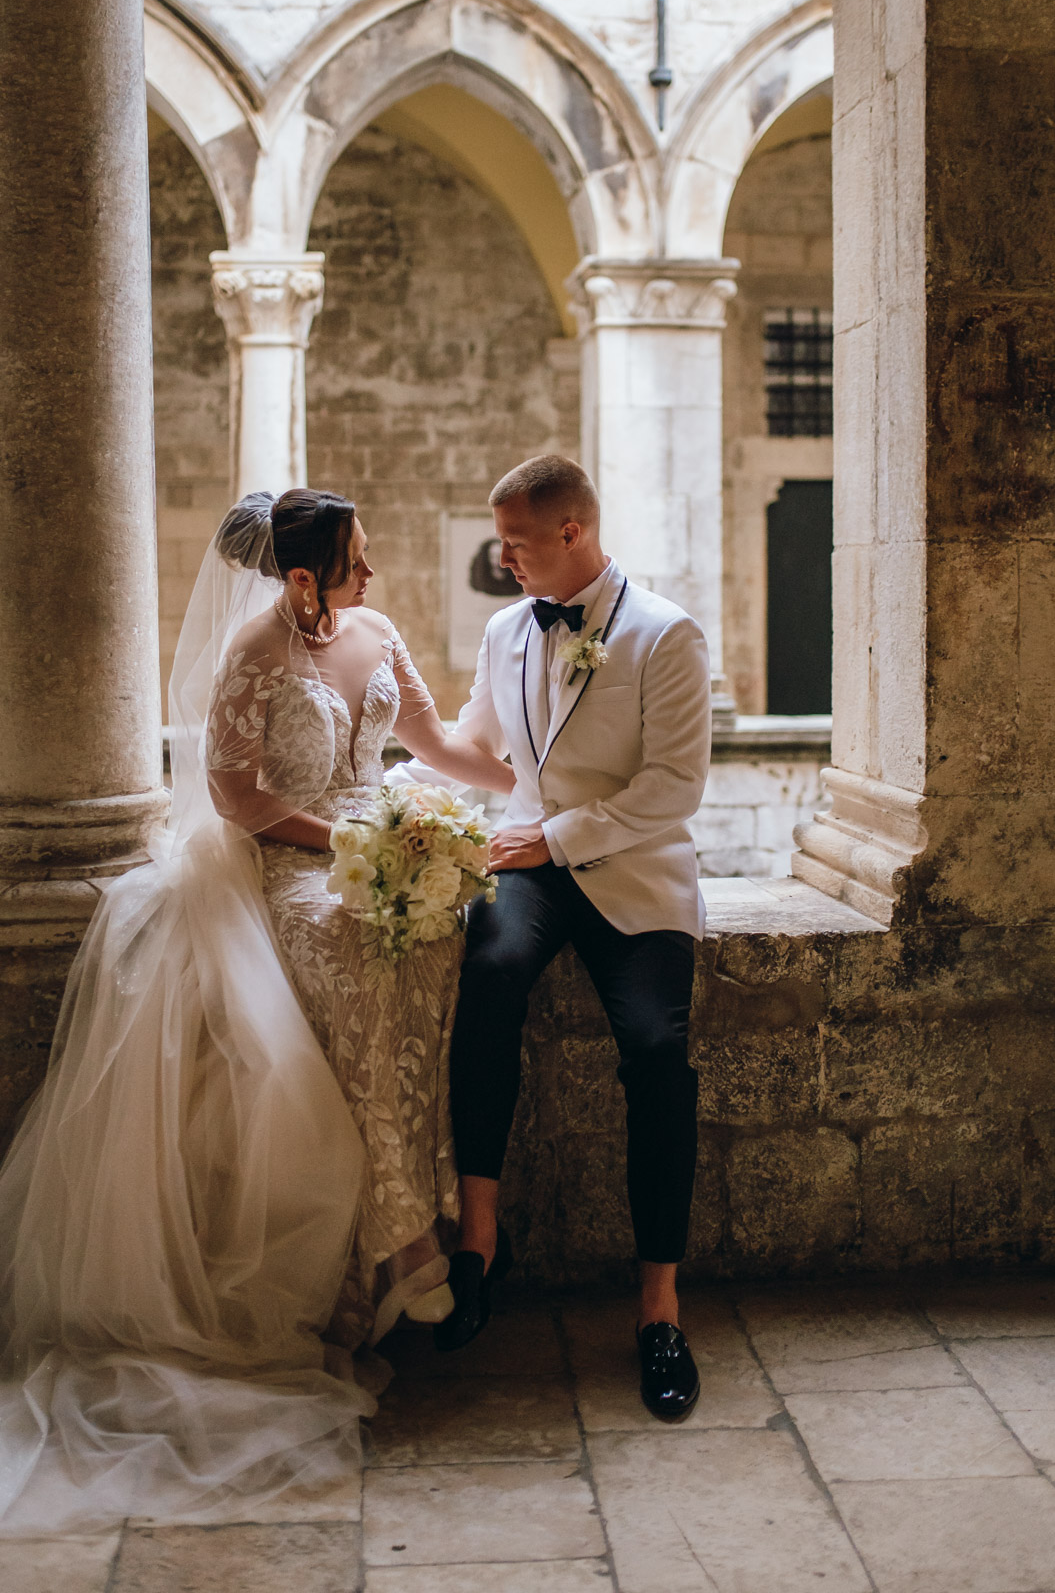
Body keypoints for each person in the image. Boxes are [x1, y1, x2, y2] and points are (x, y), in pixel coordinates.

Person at [0, 488, 514, 1593]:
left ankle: (411, 1217)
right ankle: (405, 1239)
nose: (374, 575)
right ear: (302, 580)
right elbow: (233, 795)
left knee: (438, 941)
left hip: (371, 858)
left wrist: (514, 797)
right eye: (356, 561)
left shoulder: (380, 637)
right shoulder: (257, 651)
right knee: (354, 952)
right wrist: (353, 835)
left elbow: (434, 743)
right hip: (284, 875)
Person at [419, 455, 712, 1422]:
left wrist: (554, 838)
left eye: (513, 540)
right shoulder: (507, 630)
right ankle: (478, 1246)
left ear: (571, 533)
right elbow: (480, 750)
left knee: (658, 1048)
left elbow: (673, 787)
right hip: (532, 874)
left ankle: (658, 1306)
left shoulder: (665, 635)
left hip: (629, 871)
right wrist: (401, 730)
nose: (500, 557)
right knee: (491, 974)